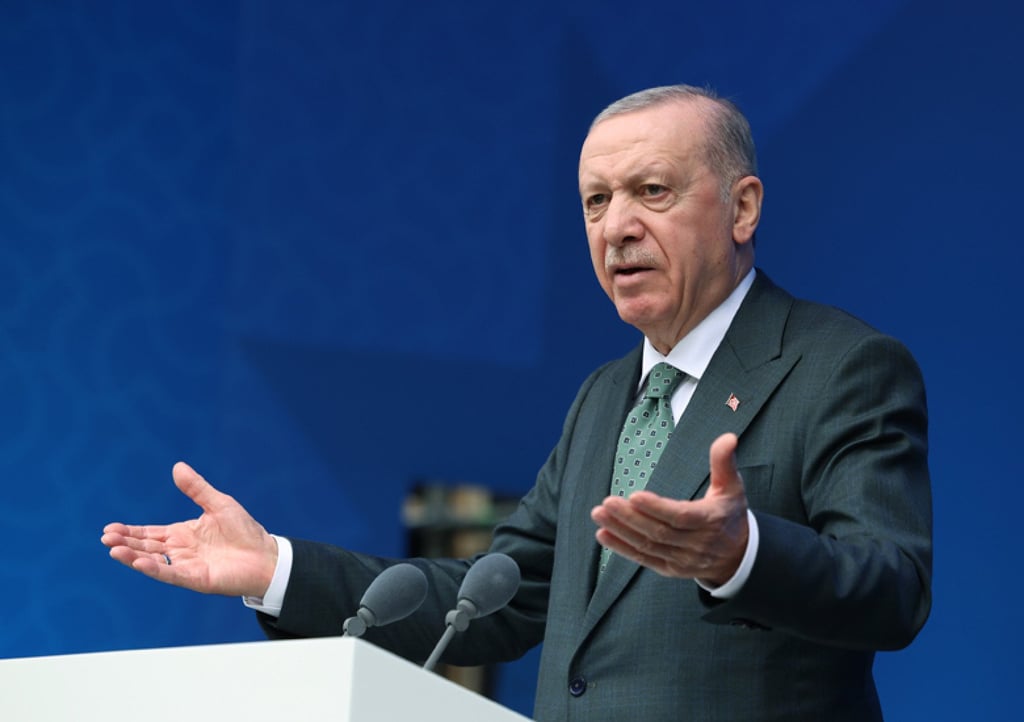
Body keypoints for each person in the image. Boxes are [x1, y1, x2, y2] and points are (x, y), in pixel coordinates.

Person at [102, 84, 932, 721]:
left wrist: (740, 553)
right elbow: (499, 596)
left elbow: (892, 588)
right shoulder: (605, 397)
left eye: (651, 191)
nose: (617, 227)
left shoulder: (844, 366)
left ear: (742, 207)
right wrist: (277, 569)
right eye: (596, 201)